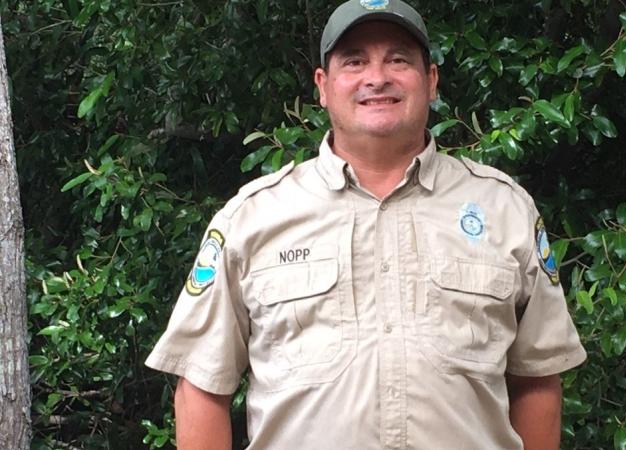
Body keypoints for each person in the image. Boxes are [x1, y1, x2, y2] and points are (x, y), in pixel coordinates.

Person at [145, 0, 586, 449]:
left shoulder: (504, 210)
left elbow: (537, 378)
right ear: (323, 85)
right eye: (355, 61)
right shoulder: (253, 219)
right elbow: (201, 386)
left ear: (431, 80)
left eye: (398, 59)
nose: (377, 78)